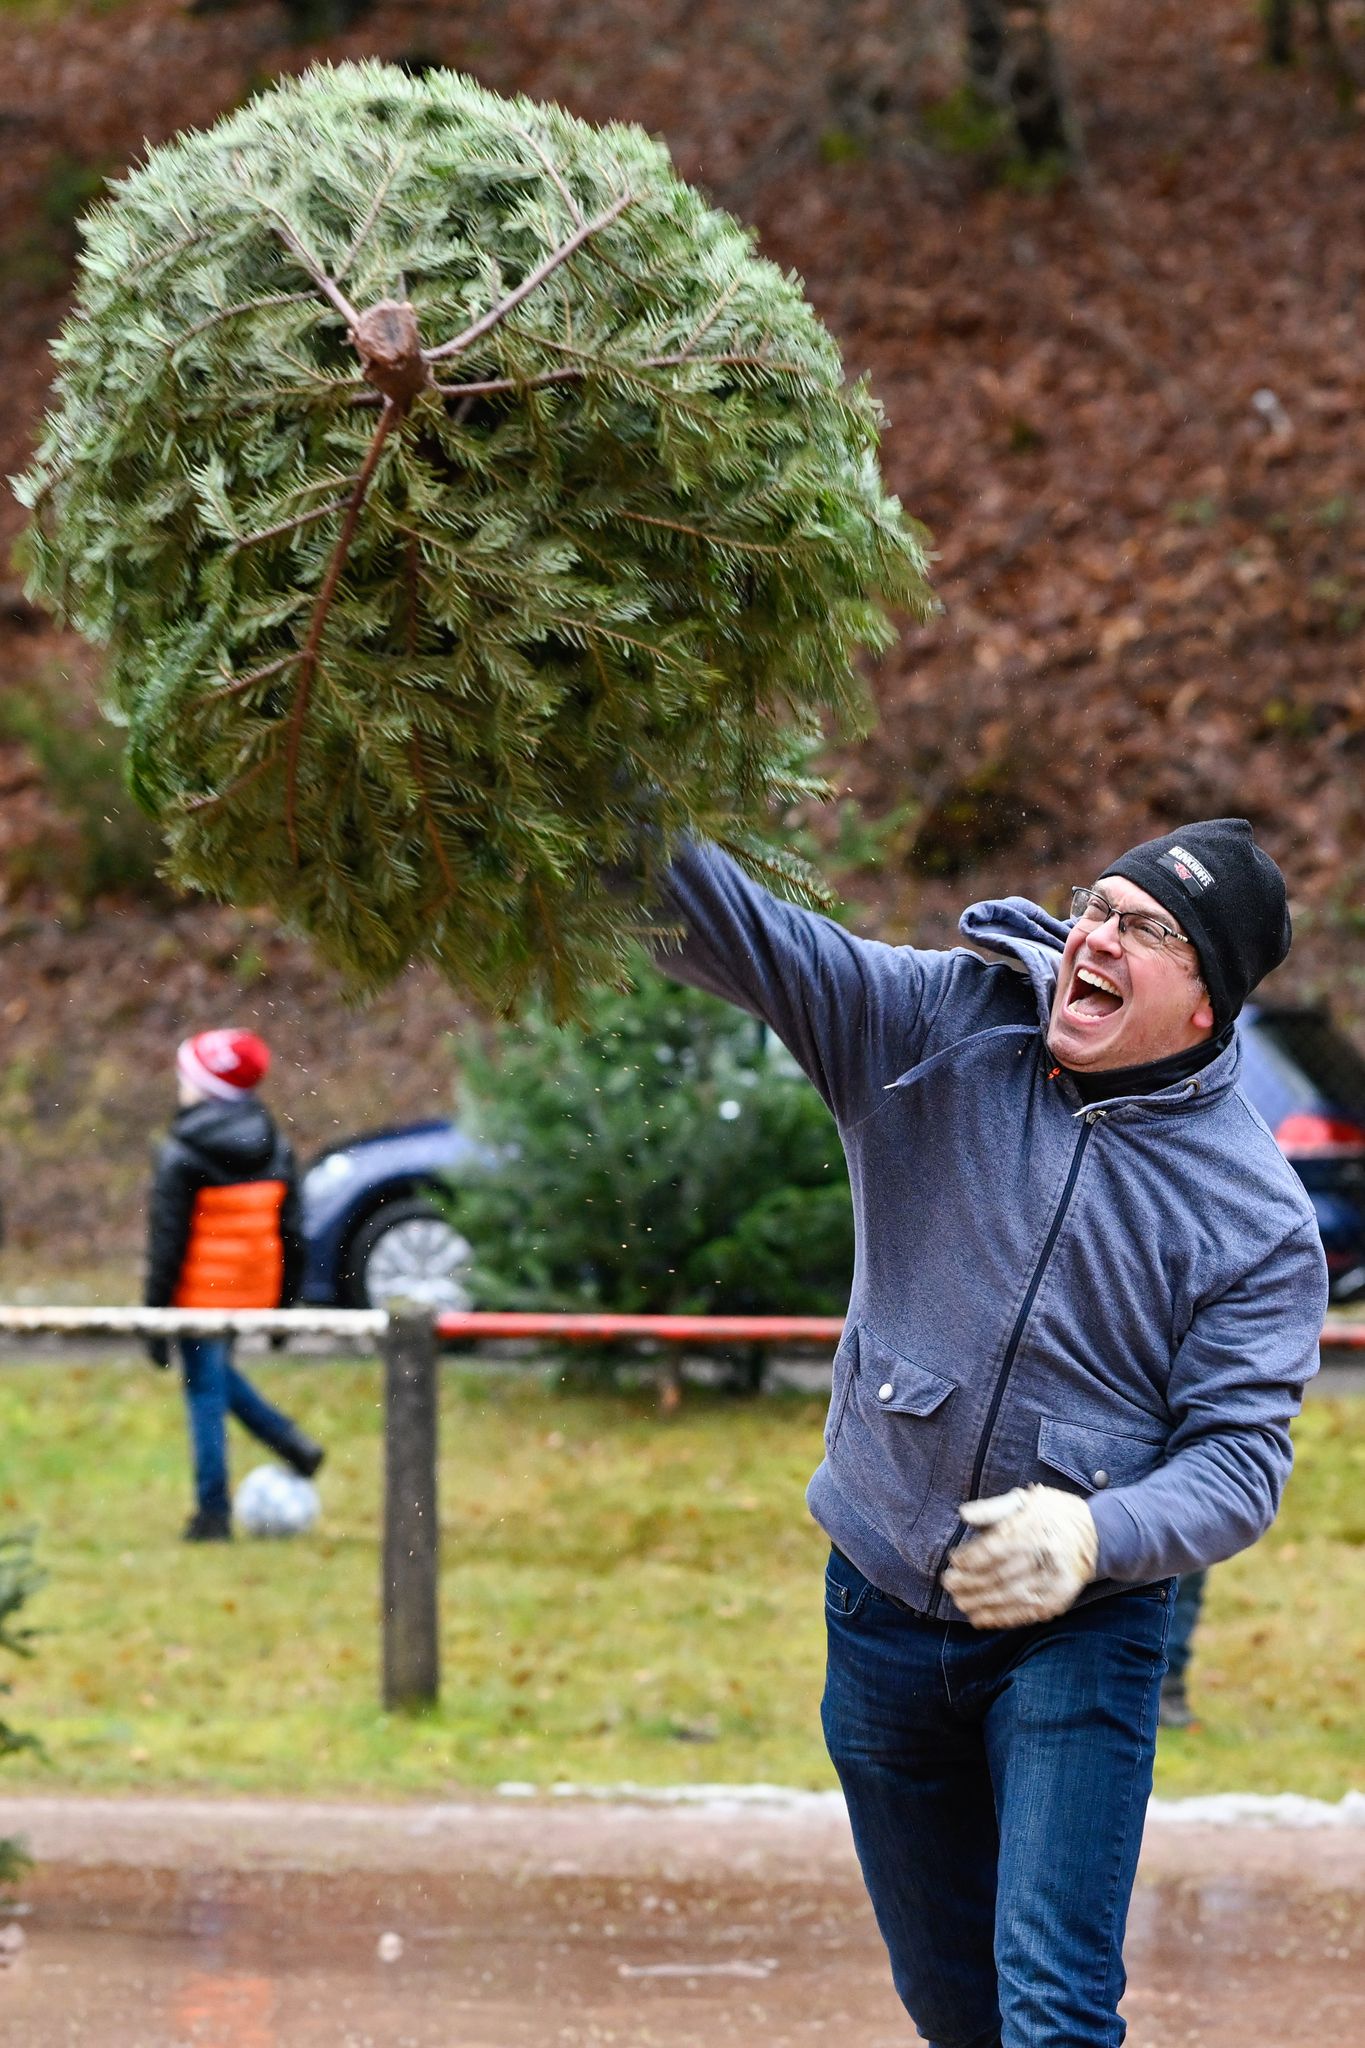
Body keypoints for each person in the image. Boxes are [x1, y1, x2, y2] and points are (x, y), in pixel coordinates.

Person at [653, 817, 1326, 2047]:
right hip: (877, 1605)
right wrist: (600, 797)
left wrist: (1095, 1530)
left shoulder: (1255, 1214)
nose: (1096, 937)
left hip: (1080, 1629)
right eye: (1097, 906)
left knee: (1053, 2006)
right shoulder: (933, 1028)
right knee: (954, 2004)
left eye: (1146, 928)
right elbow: (747, 934)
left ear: (1205, 1001)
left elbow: (1241, 1461)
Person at [145, 1028, 324, 1541]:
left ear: (206, 1088)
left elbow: (167, 1245)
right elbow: (293, 1235)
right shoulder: (275, 1143)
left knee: (204, 1390)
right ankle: (292, 1445)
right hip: (253, 1290)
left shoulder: (180, 1151)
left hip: (201, 1295)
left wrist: (153, 1318)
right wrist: (283, 1307)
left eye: (187, 1077)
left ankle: (212, 1513)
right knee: (216, 1374)